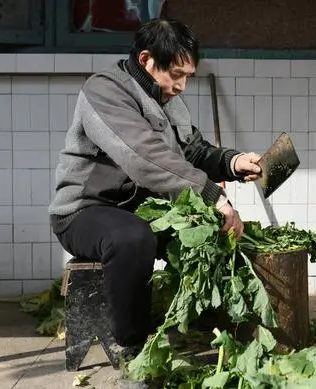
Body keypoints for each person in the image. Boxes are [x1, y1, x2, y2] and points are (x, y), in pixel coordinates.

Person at [48, 18, 261, 368]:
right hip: (86, 211)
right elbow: (144, 157)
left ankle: (218, 325)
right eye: (176, 74)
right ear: (146, 59)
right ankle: (133, 347)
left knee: (212, 230)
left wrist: (234, 163)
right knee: (132, 237)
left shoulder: (169, 98)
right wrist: (213, 195)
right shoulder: (104, 91)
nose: (182, 85)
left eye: (188, 76)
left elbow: (192, 151)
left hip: (141, 208)